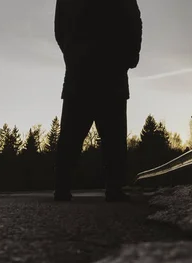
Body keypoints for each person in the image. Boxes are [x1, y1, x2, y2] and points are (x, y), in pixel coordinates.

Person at [53, 0, 142, 202]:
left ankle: (69, 186)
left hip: (99, 70)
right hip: (100, 70)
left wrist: (71, 53)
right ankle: (108, 187)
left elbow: (133, 20)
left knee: (102, 135)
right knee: (100, 135)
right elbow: (133, 20)